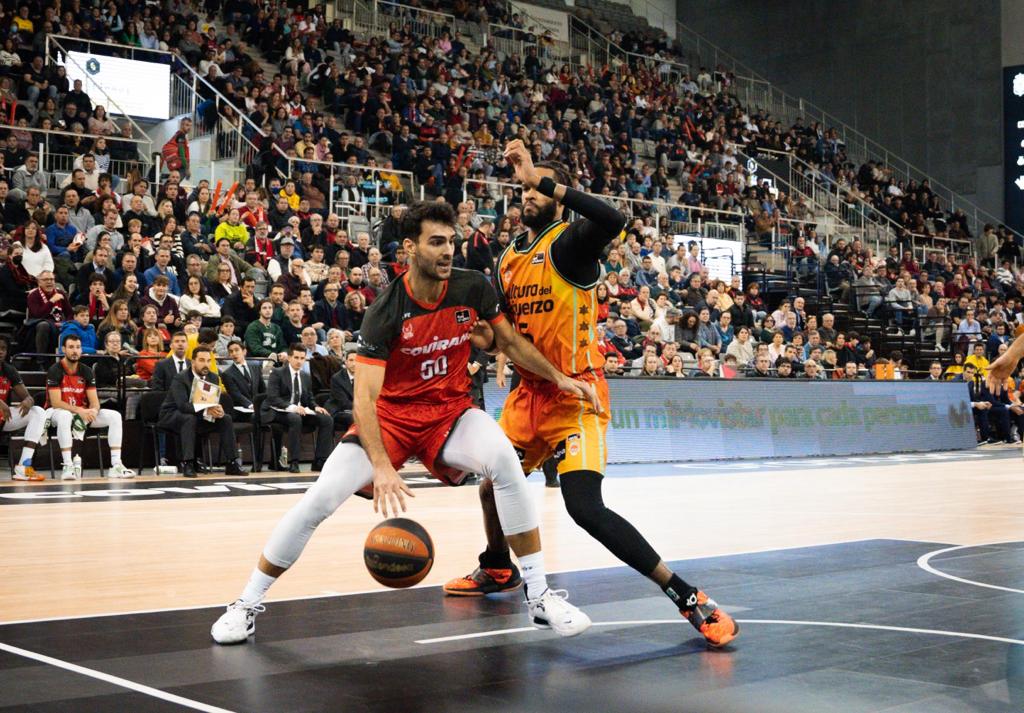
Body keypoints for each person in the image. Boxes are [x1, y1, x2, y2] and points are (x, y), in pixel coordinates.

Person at [210, 200, 595, 645]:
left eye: (452, 241)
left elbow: (508, 341)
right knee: (319, 499)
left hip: (448, 412)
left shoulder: (472, 287)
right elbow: (365, 399)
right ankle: (245, 603)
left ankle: (540, 596)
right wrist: (381, 466)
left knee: (505, 463)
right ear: (410, 248)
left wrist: (559, 377)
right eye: (436, 243)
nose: (448, 251)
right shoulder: (386, 311)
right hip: (389, 419)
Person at [444, 142, 737, 647]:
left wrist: (546, 177)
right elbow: (508, 327)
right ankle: (496, 566)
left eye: (539, 188)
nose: (529, 193)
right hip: (527, 392)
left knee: (584, 508)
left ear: (557, 200)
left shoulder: (570, 245)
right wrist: (486, 348)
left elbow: (614, 218)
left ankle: (687, 596)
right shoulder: (510, 257)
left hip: (577, 393)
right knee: (491, 483)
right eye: (525, 188)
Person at [46, 333, 135, 480]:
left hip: (81, 412)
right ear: (63, 349)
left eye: (78, 347)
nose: (75, 351)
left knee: (115, 416)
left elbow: (94, 401)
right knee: (65, 416)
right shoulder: (55, 370)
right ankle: (68, 466)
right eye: (71, 347)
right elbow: (56, 402)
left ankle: (116, 465)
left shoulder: (86, 370)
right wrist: (79, 410)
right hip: (57, 412)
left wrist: (93, 410)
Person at [158, 346, 247, 478]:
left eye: (208, 360)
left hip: (198, 415)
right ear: (193, 361)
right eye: (201, 360)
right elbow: (183, 406)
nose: (206, 364)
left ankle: (232, 463)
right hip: (172, 415)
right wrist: (207, 409)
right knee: (189, 418)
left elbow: (212, 400)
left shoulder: (213, 377)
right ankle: (188, 463)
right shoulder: (180, 378)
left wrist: (218, 409)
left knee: (225, 418)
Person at [260, 343, 334, 473]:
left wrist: (316, 407)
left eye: (302, 358)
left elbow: (309, 398)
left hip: (299, 412)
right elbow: (273, 398)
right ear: (289, 357)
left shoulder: (305, 376)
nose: (299, 361)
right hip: (277, 411)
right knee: (295, 418)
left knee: (327, 420)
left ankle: (319, 461)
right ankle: (294, 461)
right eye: (296, 357)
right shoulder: (277, 373)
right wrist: (292, 407)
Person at [0, 336, 48, 481]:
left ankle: (23, 466)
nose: (0, 352)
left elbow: (27, 396)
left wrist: (29, 400)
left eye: (3, 349)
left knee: (37, 412)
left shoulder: (8, 370)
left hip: (3, 417)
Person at [326, 349, 355, 430]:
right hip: (339, 410)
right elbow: (343, 402)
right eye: (351, 360)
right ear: (345, 362)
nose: (354, 364)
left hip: (355, 409)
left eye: (357, 360)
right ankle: (353, 442)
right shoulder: (337, 378)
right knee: (355, 418)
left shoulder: (363, 377)